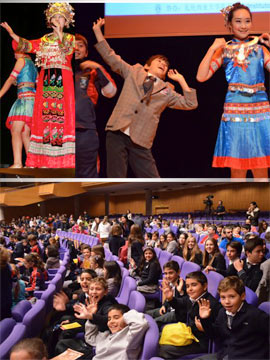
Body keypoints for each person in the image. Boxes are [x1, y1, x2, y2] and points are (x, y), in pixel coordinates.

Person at [92, 18, 198, 178]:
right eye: (159, 61)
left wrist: (181, 80)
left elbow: (190, 103)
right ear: (147, 66)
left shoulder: (167, 91)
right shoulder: (134, 72)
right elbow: (111, 57)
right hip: (117, 131)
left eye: (166, 64)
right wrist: (97, 31)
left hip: (141, 140)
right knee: (116, 178)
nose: (163, 63)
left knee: (153, 180)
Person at [196, 2, 270, 178]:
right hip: (236, 108)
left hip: (259, 108)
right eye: (238, 21)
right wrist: (212, 49)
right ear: (229, 25)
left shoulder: (260, 49)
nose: (243, 26)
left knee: (261, 165)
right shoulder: (224, 50)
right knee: (237, 167)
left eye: (247, 21)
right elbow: (201, 76)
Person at [1, 2, 76, 168]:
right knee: (45, 117)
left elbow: (67, 50)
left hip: (63, 81)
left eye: (60, 18)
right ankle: (44, 159)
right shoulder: (44, 40)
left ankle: (61, 159)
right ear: (50, 20)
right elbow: (27, 45)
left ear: (66, 21)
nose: (57, 20)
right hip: (46, 80)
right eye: (54, 17)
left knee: (60, 117)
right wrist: (12, 34)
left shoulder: (70, 38)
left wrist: (59, 33)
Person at [197, 276, 269, 360]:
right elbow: (215, 335)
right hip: (226, 354)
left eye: (232, 297)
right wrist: (205, 319)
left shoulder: (255, 315)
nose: (227, 302)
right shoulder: (222, 312)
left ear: (242, 296)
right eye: (223, 297)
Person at [75, 33, 117, 177]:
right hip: (60, 131)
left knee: (87, 177)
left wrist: (98, 67)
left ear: (86, 52)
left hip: (86, 131)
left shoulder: (92, 72)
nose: (76, 48)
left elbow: (111, 92)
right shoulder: (57, 72)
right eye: (72, 45)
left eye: (80, 46)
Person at [158, 271, 221, 359]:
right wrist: (170, 298)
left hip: (200, 342)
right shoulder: (192, 298)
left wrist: (204, 328)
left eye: (194, 285)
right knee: (160, 336)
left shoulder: (212, 305)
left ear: (205, 286)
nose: (190, 289)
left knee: (163, 349)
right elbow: (180, 303)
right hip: (189, 334)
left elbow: (217, 332)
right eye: (187, 286)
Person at [0, 49, 37, 168]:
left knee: (15, 130)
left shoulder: (22, 60)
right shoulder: (33, 65)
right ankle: (31, 163)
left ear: (21, 52)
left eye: (15, 52)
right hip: (32, 99)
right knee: (25, 132)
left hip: (24, 99)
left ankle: (17, 163)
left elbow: (10, 79)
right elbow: (37, 82)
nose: (14, 55)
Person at [147, 260, 186, 329]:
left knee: (153, 322)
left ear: (178, 272)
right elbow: (168, 298)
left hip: (177, 313)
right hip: (168, 308)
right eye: (165, 273)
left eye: (170, 273)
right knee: (146, 314)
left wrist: (180, 292)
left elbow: (183, 304)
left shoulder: (183, 285)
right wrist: (164, 305)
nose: (168, 276)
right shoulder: (169, 283)